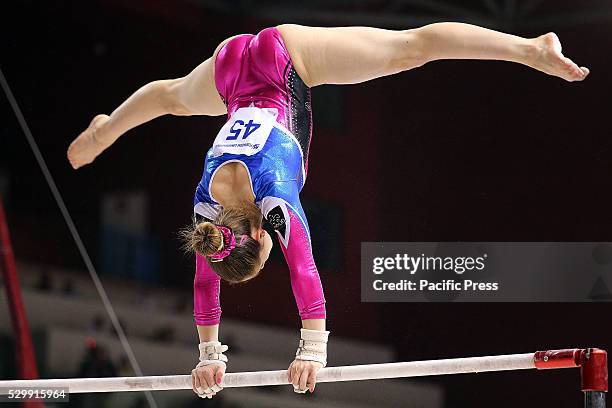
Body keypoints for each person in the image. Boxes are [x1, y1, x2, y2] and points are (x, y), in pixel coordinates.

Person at [66, 23, 589, 398]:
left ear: (258, 232)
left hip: (283, 60)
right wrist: (208, 357)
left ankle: (530, 48)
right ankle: (105, 130)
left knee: (412, 48)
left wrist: (312, 351)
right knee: (173, 98)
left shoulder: (275, 200)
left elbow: (304, 272)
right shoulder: (208, 209)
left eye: (267, 248)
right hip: (228, 68)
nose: (276, 245)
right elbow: (206, 283)